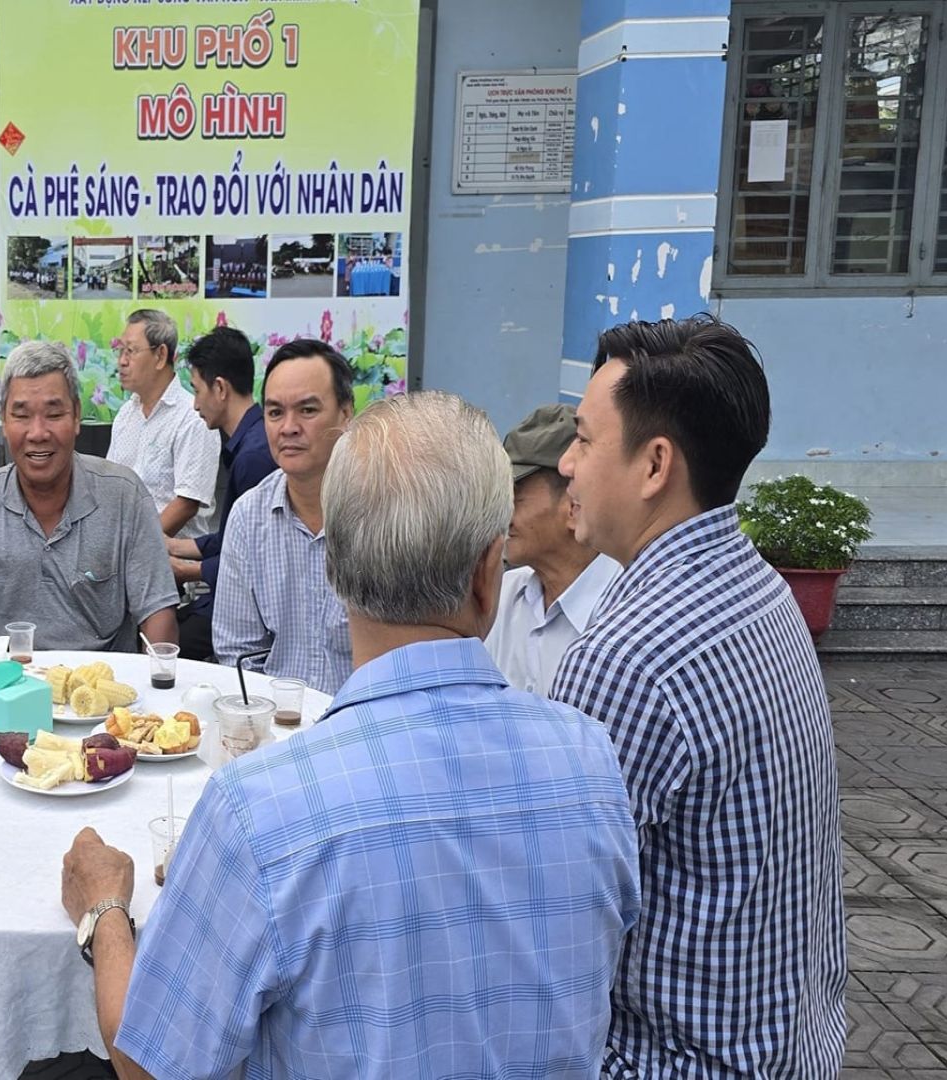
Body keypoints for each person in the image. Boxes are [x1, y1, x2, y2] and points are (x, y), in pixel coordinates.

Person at [59, 392, 641, 1078]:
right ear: (491, 574)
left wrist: (104, 910)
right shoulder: (592, 764)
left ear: (334, 572)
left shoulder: (264, 806)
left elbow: (147, 1062)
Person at [553, 316, 847, 1075]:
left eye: (584, 439)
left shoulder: (628, 657)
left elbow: (558, 925)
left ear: (655, 465)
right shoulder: (760, 588)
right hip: (790, 1042)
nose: (565, 464)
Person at [0, 341, 178, 651]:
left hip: (105, 689)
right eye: (21, 415)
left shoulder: (124, 496)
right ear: (4, 422)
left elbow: (158, 615)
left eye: (53, 413)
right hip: (10, 688)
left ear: (76, 417)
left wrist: (157, 687)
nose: (38, 433)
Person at [212, 339, 356, 693]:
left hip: (364, 727)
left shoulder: (386, 512)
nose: (288, 427)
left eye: (307, 410)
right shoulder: (249, 517)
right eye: (275, 412)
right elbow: (236, 653)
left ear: (346, 414)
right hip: (276, 725)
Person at [486, 404, 623, 694]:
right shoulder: (502, 593)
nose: (501, 514)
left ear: (574, 506)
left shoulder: (622, 611)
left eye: (515, 498)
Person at [163, 326, 276, 660]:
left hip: (241, 609)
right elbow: (231, 537)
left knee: (166, 644)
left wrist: (185, 569)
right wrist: (175, 546)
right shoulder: (247, 445)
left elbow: (255, 558)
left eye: (197, 391)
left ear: (221, 388)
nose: (195, 404)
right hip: (224, 594)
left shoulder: (255, 457)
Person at [107, 308, 219, 539]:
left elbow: (187, 503)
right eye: (120, 350)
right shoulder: (126, 414)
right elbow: (110, 484)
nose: (122, 361)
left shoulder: (191, 417)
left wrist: (135, 548)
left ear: (160, 355)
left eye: (130, 351)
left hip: (174, 562)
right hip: (125, 551)